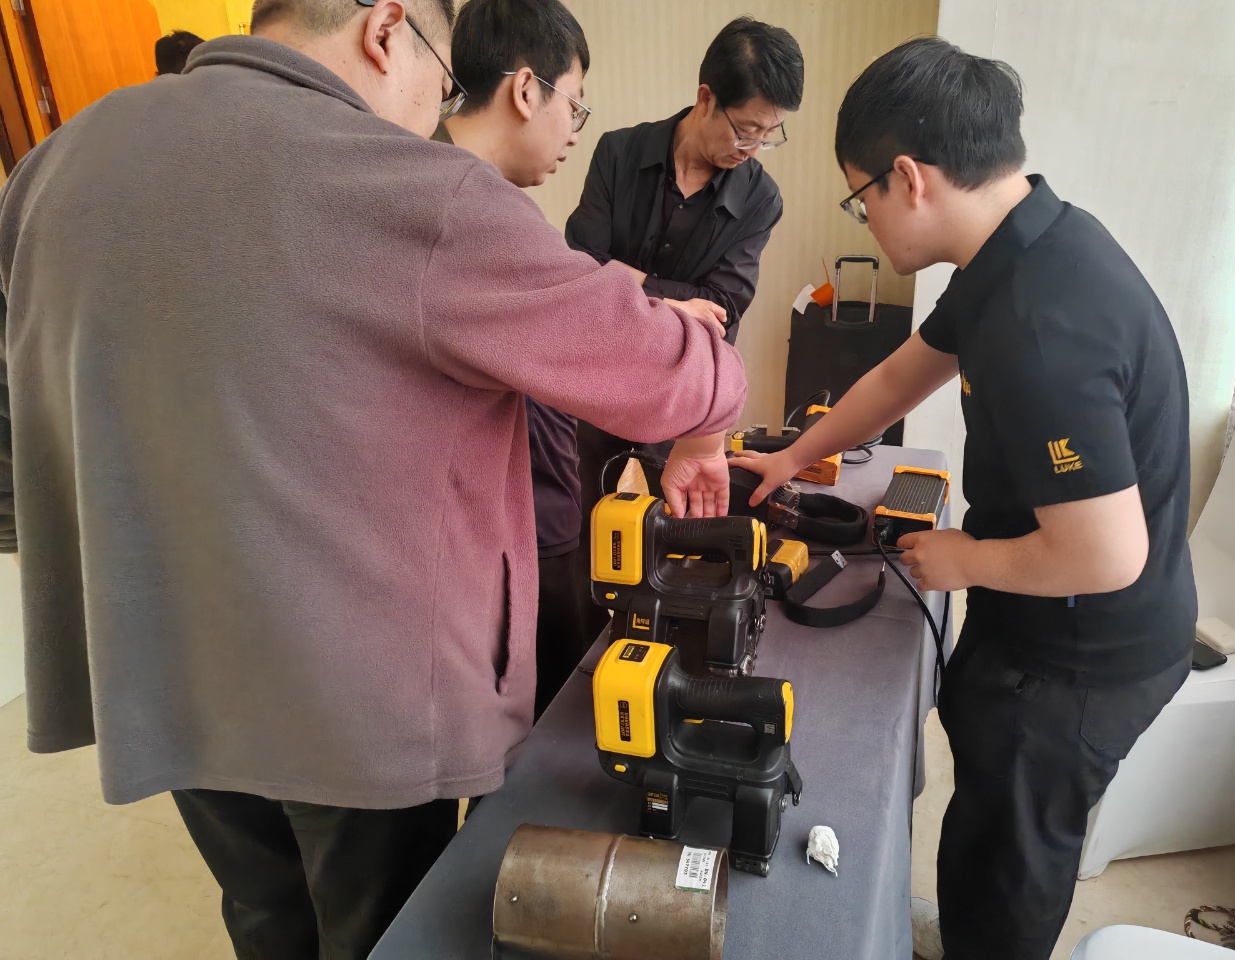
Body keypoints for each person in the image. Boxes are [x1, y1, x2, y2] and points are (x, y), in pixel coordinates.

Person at [0, 1, 745, 957]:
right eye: (442, 80)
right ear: (387, 29)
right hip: (357, 704)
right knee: (384, 932)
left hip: (160, 666)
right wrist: (709, 420)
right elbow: (665, 371)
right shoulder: (413, 190)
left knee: (265, 914)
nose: (437, 110)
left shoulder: (56, 164)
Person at [733, 37, 1196, 960]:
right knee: (980, 806)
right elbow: (903, 374)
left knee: (1007, 867)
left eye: (859, 197)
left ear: (908, 178)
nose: (865, 219)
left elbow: (1108, 553)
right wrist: (793, 455)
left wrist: (964, 559)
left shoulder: (1041, 326)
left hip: (1082, 658)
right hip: (1046, 616)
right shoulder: (1021, 248)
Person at [567, 15, 804, 640]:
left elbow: (721, 308)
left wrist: (627, 281)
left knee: (664, 549)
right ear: (706, 98)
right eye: (746, 128)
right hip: (590, 386)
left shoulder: (761, 199)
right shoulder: (618, 153)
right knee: (581, 545)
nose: (754, 147)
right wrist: (674, 303)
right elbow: (579, 269)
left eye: (770, 134)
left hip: (677, 400)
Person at [439, 0, 594, 718]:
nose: (575, 132)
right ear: (528, 89)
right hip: (512, 515)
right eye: (575, 105)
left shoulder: (433, 180)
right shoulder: (474, 212)